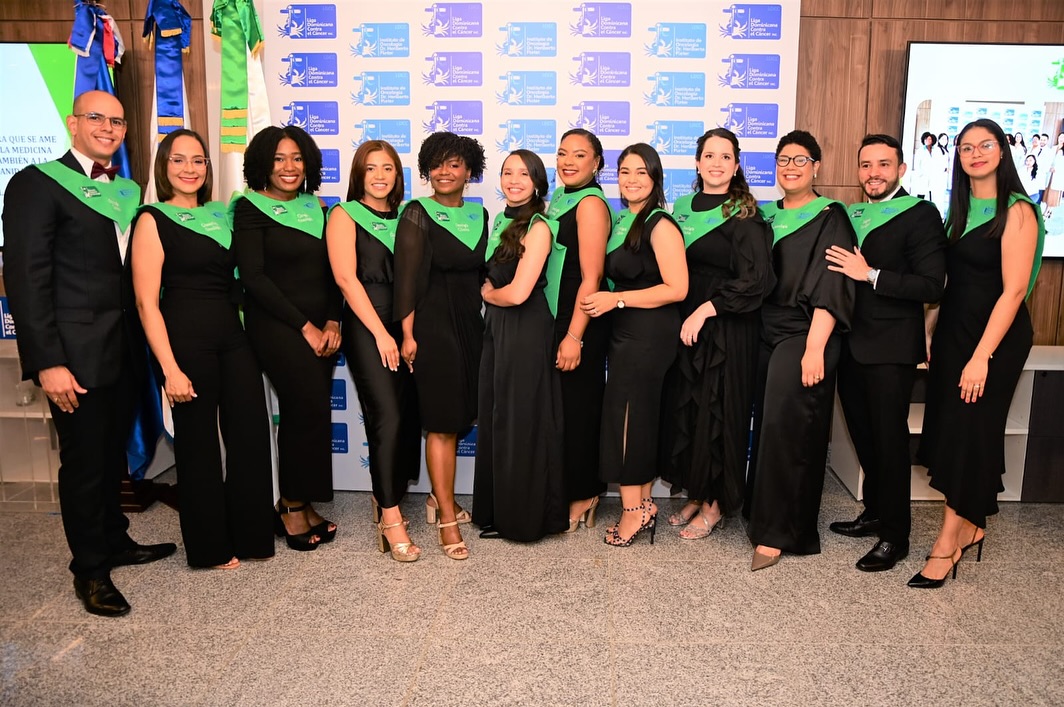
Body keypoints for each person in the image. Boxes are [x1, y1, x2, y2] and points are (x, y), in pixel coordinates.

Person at [2, 91, 176, 617]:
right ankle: (91, 572)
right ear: (73, 123)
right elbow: (27, 281)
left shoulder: (124, 191)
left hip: (124, 351)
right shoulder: (36, 184)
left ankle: (115, 541)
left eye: (118, 121)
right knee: (83, 464)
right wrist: (47, 361)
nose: (108, 127)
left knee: (111, 455)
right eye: (96, 117)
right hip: (73, 358)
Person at [131, 129, 275, 569]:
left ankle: (252, 537)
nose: (189, 169)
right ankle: (211, 548)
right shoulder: (151, 219)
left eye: (198, 161)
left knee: (250, 434)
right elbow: (145, 303)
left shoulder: (221, 215)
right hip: (184, 342)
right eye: (179, 160)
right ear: (164, 167)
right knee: (198, 447)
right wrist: (169, 369)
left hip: (233, 338)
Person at [912, 119, 1043, 588]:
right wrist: (930, 329)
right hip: (953, 334)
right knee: (955, 432)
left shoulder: (1018, 211)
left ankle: (947, 543)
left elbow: (1011, 293)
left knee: (971, 432)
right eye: (966, 148)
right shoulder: (959, 210)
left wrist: (980, 356)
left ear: (1003, 152)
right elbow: (951, 284)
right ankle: (972, 525)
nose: (975, 154)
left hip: (994, 341)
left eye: (985, 145)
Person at [824, 134, 947, 572]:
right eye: (865, 165)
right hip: (849, 343)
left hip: (890, 348)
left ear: (900, 169)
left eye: (882, 164)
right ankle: (875, 513)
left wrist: (870, 273)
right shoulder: (850, 214)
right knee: (864, 436)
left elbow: (932, 285)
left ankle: (896, 536)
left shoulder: (921, 214)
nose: (873, 173)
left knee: (890, 443)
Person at [745, 130, 856, 571]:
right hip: (763, 329)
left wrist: (815, 348)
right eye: (783, 159)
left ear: (817, 166)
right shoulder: (764, 216)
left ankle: (781, 532)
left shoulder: (831, 216)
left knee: (788, 428)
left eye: (800, 159)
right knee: (765, 426)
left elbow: (833, 285)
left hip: (807, 331)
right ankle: (759, 512)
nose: (790, 167)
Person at [659, 128, 774, 539]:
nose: (717, 164)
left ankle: (716, 504)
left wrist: (706, 310)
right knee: (690, 409)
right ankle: (696, 489)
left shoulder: (744, 214)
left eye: (726, 157)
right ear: (696, 162)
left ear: (737, 166)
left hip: (726, 325)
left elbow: (758, 281)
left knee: (719, 412)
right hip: (688, 323)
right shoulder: (684, 206)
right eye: (709, 155)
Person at [232, 125, 341, 552]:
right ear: (262, 163)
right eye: (278, 158)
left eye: (296, 158)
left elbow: (336, 272)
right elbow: (254, 278)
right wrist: (306, 326)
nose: (289, 167)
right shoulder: (249, 208)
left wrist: (332, 322)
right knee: (301, 409)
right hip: (278, 326)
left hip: (323, 330)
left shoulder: (318, 207)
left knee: (311, 413)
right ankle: (291, 507)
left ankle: (301, 500)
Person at [582, 143, 688, 546]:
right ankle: (642, 505)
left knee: (628, 419)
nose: (631, 179)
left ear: (655, 177)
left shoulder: (660, 223)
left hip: (649, 333)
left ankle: (631, 513)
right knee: (634, 418)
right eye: (624, 171)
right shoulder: (625, 220)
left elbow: (678, 288)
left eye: (641, 172)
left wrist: (618, 298)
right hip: (625, 332)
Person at [326, 140, 422, 561]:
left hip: (403, 326)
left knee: (407, 417)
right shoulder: (344, 215)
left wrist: (405, 333)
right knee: (388, 415)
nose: (380, 176)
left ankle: (389, 494)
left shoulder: (407, 217)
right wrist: (382, 335)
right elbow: (347, 280)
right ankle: (391, 518)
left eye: (388, 168)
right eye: (371, 169)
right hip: (367, 327)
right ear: (358, 175)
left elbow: (412, 282)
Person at [394, 131, 488, 560]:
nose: (445, 172)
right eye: (437, 164)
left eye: (455, 164)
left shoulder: (482, 215)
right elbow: (407, 280)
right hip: (432, 329)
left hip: (471, 327)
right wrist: (408, 334)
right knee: (443, 422)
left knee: (460, 415)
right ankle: (448, 518)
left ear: (470, 170)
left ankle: (435, 499)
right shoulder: (417, 212)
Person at [472, 150, 567, 541]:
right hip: (498, 328)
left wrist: (486, 294)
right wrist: (492, 299)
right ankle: (498, 512)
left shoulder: (540, 226)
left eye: (523, 174)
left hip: (525, 328)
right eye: (508, 172)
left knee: (523, 421)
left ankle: (526, 520)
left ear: (538, 182)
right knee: (498, 415)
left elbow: (518, 292)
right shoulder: (501, 220)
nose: (514, 180)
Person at [547, 129, 611, 532]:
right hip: (558, 316)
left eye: (580, 155)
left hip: (579, 319)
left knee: (580, 410)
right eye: (562, 153)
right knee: (563, 411)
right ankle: (567, 487)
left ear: (596, 163)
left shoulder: (589, 204)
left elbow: (593, 277)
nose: (568, 161)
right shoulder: (561, 198)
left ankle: (585, 493)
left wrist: (574, 336)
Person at [1042, 133, 1064, 219]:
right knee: (1048, 194)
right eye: (1060, 137)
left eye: (1063, 138)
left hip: (1058, 175)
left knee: (1053, 195)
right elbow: (1048, 159)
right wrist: (1049, 167)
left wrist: (1057, 169)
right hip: (1050, 174)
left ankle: (1047, 212)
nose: (1061, 139)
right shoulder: (1053, 148)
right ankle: (1048, 211)